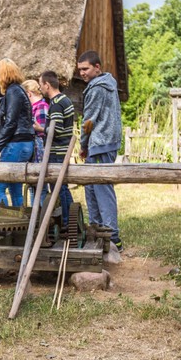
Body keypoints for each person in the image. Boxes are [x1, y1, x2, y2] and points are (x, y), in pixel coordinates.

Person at [77, 50, 123, 251]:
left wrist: (83, 144)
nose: (82, 73)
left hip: (100, 142)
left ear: (97, 67)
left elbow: (88, 121)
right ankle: (96, 231)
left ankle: (112, 237)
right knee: (92, 187)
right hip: (105, 141)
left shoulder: (96, 88)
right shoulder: (108, 84)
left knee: (102, 189)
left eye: (85, 69)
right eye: (79, 70)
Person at [0, 58, 34, 206]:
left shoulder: (13, 91)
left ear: (4, 74)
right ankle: (19, 222)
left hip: (17, 144)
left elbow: (11, 122)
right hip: (23, 143)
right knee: (14, 186)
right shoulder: (17, 91)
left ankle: (3, 224)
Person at [40, 71, 76, 227]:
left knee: (58, 189)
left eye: (41, 85)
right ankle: (73, 219)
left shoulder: (56, 104)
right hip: (63, 150)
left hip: (57, 151)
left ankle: (67, 223)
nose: (40, 88)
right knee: (63, 188)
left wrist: (41, 128)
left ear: (47, 85)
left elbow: (57, 129)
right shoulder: (65, 100)